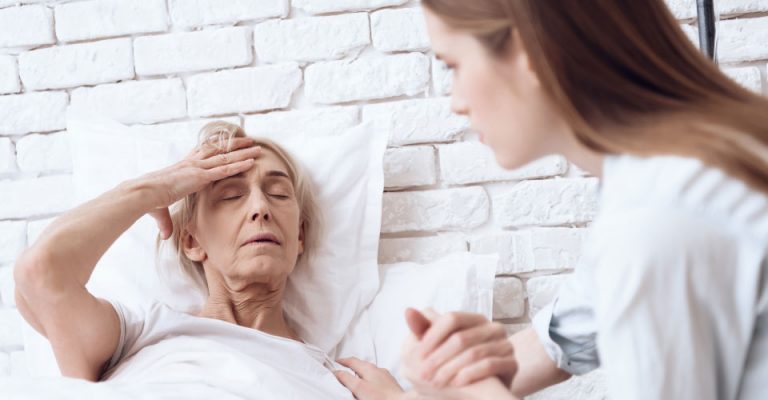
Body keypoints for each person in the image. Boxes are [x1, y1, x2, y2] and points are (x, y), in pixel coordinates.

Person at [344, 1, 768, 399]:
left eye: (454, 65)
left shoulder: (656, 218)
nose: (455, 103)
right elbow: (573, 329)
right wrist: (466, 372)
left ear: (529, 49)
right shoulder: (682, 164)